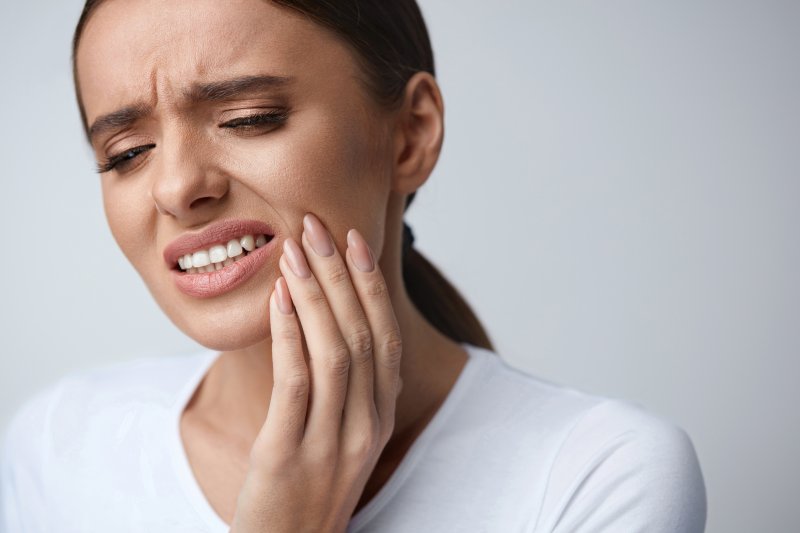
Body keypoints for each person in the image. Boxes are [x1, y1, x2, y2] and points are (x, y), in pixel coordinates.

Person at [0, 0, 707, 531]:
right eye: (126, 153)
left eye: (248, 117)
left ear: (410, 135)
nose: (176, 187)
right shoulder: (60, 445)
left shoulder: (597, 473)